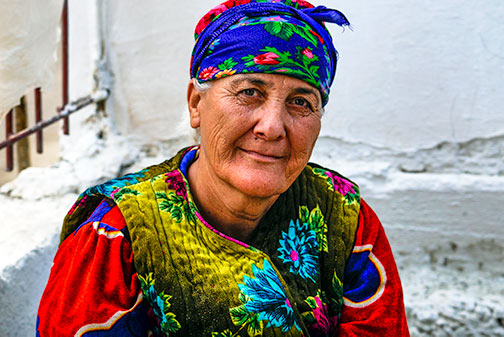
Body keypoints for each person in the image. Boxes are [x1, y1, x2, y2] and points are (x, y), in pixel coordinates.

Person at [37, 0, 409, 336]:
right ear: (196, 103)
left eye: (300, 102)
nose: (272, 126)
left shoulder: (344, 217)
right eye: (250, 92)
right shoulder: (118, 235)